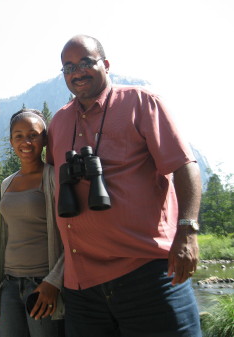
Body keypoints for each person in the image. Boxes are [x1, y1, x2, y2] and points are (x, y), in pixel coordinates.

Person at [46, 34, 202, 337]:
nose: (77, 72)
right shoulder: (59, 122)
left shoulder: (140, 102)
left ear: (105, 64)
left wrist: (187, 231)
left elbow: (185, 167)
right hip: (82, 286)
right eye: (68, 67)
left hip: (148, 274)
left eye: (86, 62)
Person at [0, 109, 64, 337]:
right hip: (10, 285)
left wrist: (55, 282)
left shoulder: (54, 177)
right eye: (19, 135)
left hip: (42, 284)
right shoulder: (7, 183)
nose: (26, 142)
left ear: (44, 140)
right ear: (12, 141)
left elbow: (74, 236)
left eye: (33, 135)